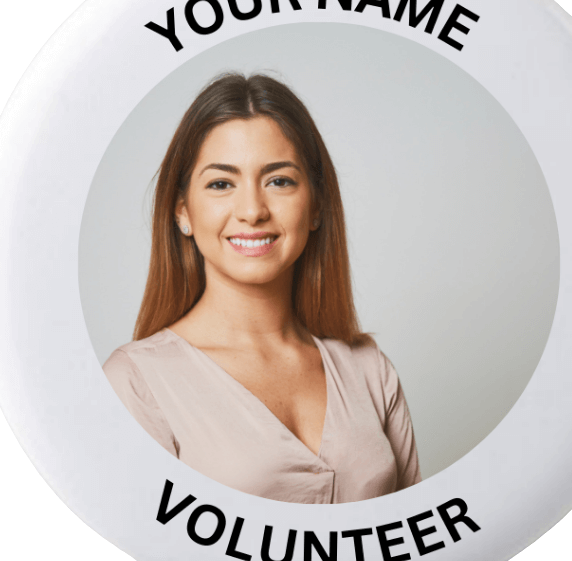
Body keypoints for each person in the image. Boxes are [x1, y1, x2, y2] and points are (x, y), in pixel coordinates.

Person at [103, 72, 421, 504]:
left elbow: (411, 534)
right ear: (183, 212)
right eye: (221, 184)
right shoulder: (136, 381)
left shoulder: (368, 369)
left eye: (279, 181)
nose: (252, 211)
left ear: (316, 205)